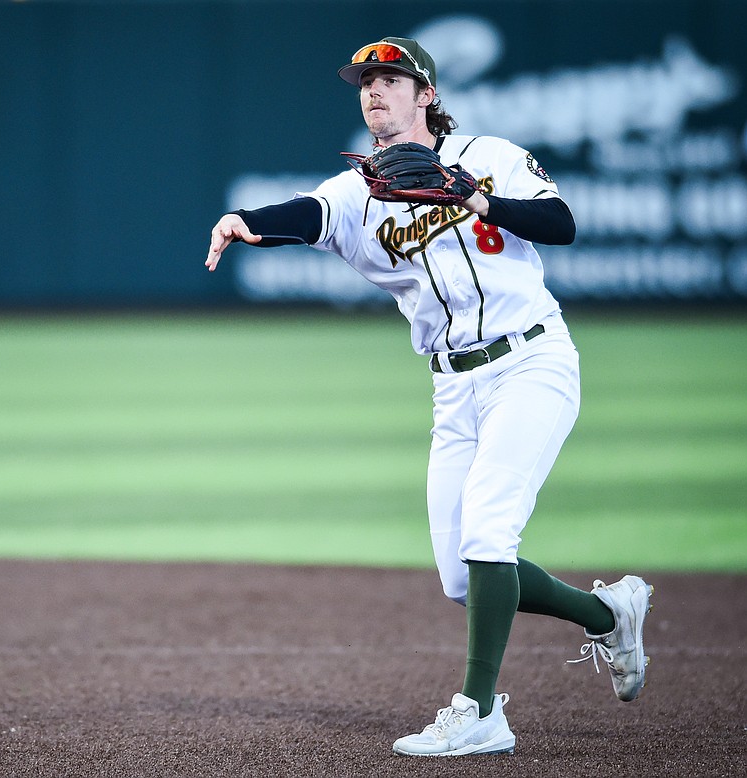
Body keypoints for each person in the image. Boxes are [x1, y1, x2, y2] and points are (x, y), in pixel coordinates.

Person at [204, 36, 654, 757]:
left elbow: (560, 224)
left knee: (488, 533)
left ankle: (479, 711)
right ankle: (608, 612)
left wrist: (470, 193)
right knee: (460, 579)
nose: (374, 91)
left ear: (427, 95)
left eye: (391, 79)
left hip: (529, 363)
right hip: (454, 389)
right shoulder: (360, 191)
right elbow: (309, 213)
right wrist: (249, 222)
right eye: (365, 82)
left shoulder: (492, 154)